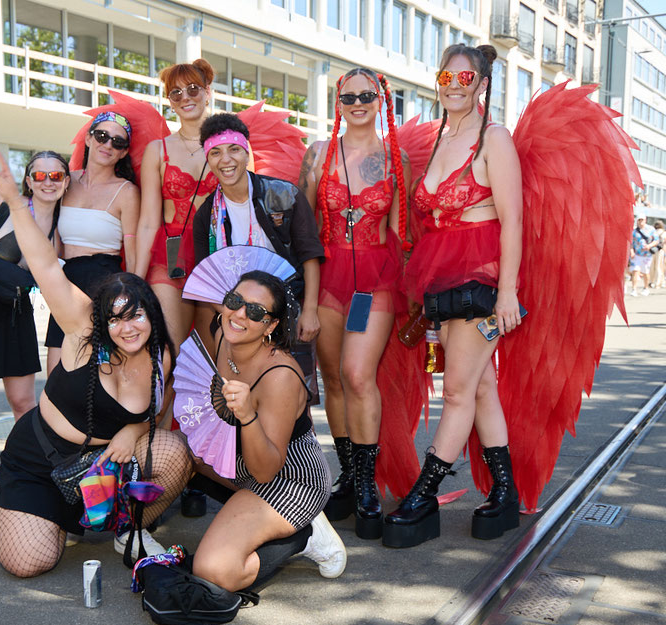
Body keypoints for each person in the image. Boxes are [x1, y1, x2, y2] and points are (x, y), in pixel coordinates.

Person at [0, 152, 191, 577]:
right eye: (115, 318)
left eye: (136, 314)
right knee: (29, 563)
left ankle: (122, 527)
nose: (127, 328)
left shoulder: (160, 355)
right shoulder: (82, 330)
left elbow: (157, 407)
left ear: (151, 314)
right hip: (40, 459)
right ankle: (56, 520)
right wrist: (13, 199)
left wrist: (134, 429)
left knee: (175, 452)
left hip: (102, 466)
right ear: (101, 320)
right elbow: (44, 264)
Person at [394, 44, 523, 547]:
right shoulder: (442, 138)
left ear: (481, 83)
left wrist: (508, 291)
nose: (453, 84)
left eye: (464, 77)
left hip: (482, 279)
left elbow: (513, 219)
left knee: (456, 392)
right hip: (442, 277)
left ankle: (424, 495)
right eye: (446, 74)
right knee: (481, 387)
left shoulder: (495, 139)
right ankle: (506, 494)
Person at [298, 66, 410, 538]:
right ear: (337, 103)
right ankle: (346, 474)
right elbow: (303, 229)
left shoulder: (396, 160)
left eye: (367, 95)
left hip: (376, 277)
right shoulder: (318, 155)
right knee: (333, 378)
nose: (358, 103)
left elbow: (401, 233)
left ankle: (365, 485)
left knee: (359, 374)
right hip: (326, 276)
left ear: (381, 100)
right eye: (348, 97)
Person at [188, 271, 346, 591]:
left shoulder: (280, 376)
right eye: (235, 301)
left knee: (214, 571)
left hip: (289, 479)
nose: (240, 314)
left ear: (271, 326)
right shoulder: (221, 334)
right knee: (176, 450)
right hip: (240, 462)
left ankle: (304, 536)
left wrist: (247, 416)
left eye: (256, 312)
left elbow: (265, 471)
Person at [191, 112, 324, 353]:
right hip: (235, 318)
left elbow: (310, 255)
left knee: (293, 385)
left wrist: (311, 310)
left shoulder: (285, 195)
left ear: (246, 153)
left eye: (234, 149)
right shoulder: (206, 215)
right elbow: (206, 279)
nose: (226, 160)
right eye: (216, 152)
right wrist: (237, 317)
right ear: (208, 160)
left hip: (287, 309)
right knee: (239, 388)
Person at [0, 151, 69, 457]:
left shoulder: (64, 223)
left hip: (18, 313)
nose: (48, 182)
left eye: (56, 176)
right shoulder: (7, 206)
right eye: (40, 175)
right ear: (28, 180)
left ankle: (22, 470)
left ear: (66, 181)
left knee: (24, 404)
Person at [46, 113, 140, 373]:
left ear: (123, 153)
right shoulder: (64, 181)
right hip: (65, 284)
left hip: (105, 284)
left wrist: (133, 301)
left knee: (97, 374)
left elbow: (132, 252)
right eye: (101, 136)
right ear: (88, 139)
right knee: (56, 371)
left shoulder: (127, 192)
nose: (108, 145)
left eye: (117, 142)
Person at [135, 59, 220, 348]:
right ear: (169, 101)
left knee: (215, 358)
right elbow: (148, 221)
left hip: (217, 254)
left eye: (193, 89)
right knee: (169, 352)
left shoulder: (233, 146)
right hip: (169, 257)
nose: (185, 98)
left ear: (208, 92)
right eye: (176, 93)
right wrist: (135, 279)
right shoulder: (157, 151)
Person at [627, 215, 658, 296]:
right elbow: (630, 242)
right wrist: (631, 251)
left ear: (645, 220)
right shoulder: (634, 231)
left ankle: (646, 287)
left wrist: (649, 246)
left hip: (647, 255)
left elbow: (656, 240)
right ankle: (634, 289)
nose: (641, 222)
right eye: (639, 220)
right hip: (637, 254)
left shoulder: (651, 229)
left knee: (645, 272)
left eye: (642, 220)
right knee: (635, 270)